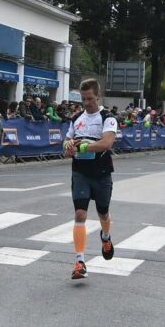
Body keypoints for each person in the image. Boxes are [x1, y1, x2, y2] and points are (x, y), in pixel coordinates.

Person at [63, 78, 118, 280]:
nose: (87, 103)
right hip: (80, 173)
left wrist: (84, 146)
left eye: (90, 99)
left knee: (103, 213)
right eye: (84, 99)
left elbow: (106, 143)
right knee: (79, 214)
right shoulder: (76, 119)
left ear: (98, 96)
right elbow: (67, 142)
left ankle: (105, 237)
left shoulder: (108, 118)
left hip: (102, 173)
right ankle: (79, 261)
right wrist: (67, 147)